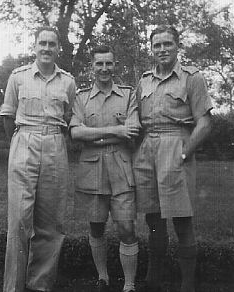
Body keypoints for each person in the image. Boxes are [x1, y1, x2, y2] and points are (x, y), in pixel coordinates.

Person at [133, 25, 212, 292]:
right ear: (151, 49)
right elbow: (136, 121)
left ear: (178, 46)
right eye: (157, 45)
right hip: (147, 151)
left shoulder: (192, 78)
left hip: (176, 147)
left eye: (167, 44)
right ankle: (154, 280)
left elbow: (205, 123)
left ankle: (187, 284)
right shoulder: (144, 80)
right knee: (153, 220)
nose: (162, 49)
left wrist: (183, 152)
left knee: (182, 218)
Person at [0, 26, 76, 292]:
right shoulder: (18, 77)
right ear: (34, 46)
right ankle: (14, 287)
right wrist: (20, 144)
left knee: (51, 221)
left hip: (55, 144)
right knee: (19, 219)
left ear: (58, 49)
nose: (46, 48)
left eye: (51, 44)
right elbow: (8, 115)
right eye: (42, 43)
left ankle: (39, 285)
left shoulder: (68, 81)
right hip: (24, 142)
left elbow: (70, 117)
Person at [70, 45, 140, 292]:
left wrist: (94, 136)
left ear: (115, 65)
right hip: (92, 170)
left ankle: (129, 284)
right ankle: (103, 277)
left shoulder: (129, 94)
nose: (104, 69)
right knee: (96, 225)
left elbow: (132, 130)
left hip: (121, 168)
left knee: (126, 227)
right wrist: (115, 131)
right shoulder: (81, 97)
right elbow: (76, 132)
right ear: (92, 67)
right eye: (99, 64)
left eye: (108, 63)